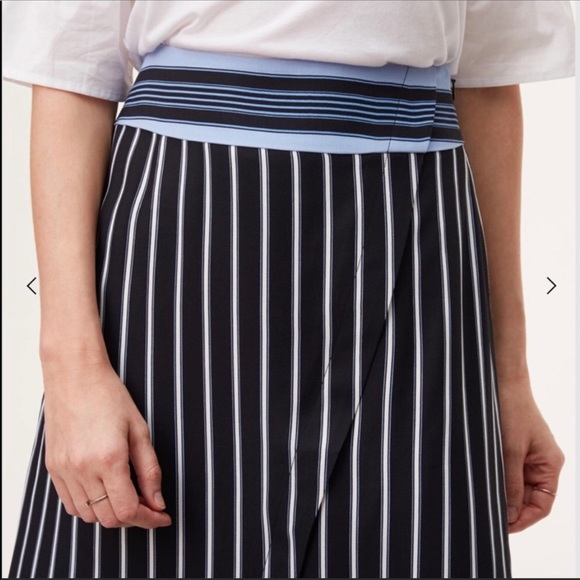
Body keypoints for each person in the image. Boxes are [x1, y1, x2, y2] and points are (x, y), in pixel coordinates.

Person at [2, 1, 574, 578]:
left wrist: (510, 379)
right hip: (185, 238)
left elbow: (488, 80)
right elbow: (71, 69)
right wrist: (71, 371)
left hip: (418, 235)